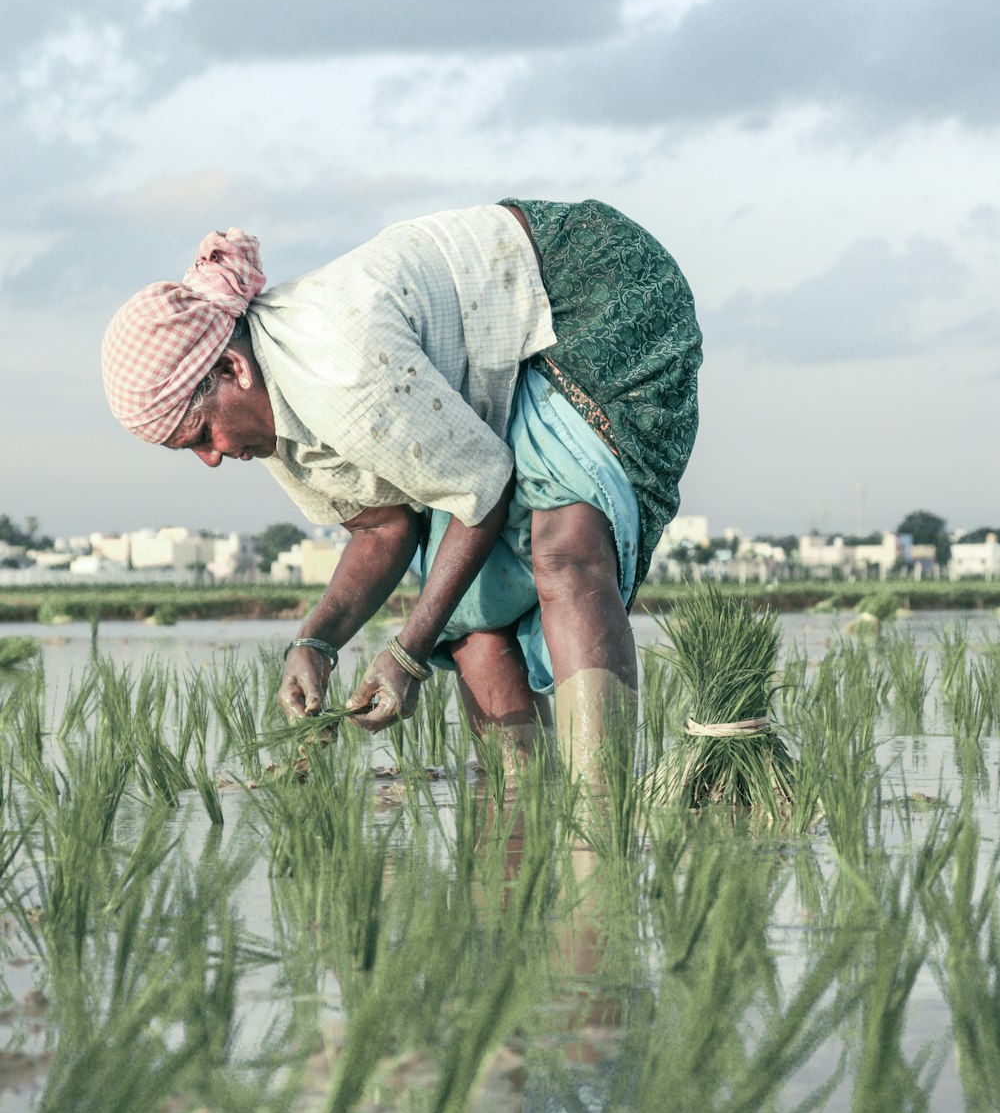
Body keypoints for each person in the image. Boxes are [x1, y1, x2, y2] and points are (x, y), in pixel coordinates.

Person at [101, 199, 701, 776]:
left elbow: (484, 493)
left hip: (580, 289)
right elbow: (381, 525)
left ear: (235, 369)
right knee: (468, 609)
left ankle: (603, 810)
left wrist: (408, 654)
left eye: (203, 434)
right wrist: (316, 643)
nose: (210, 459)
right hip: (492, 360)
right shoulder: (269, 418)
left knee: (564, 547)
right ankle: (521, 813)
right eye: (192, 451)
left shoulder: (341, 372)